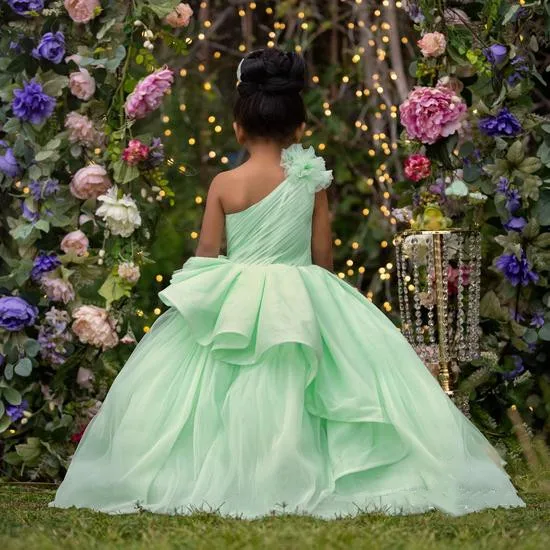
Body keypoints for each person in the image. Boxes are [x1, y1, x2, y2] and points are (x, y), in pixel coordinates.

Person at [50, 48, 526, 518]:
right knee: (324, 380)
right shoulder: (310, 179)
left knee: (213, 387)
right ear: (300, 128)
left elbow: (208, 254)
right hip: (301, 290)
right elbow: (323, 255)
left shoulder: (224, 183)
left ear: (238, 126)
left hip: (237, 294)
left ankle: (227, 469)